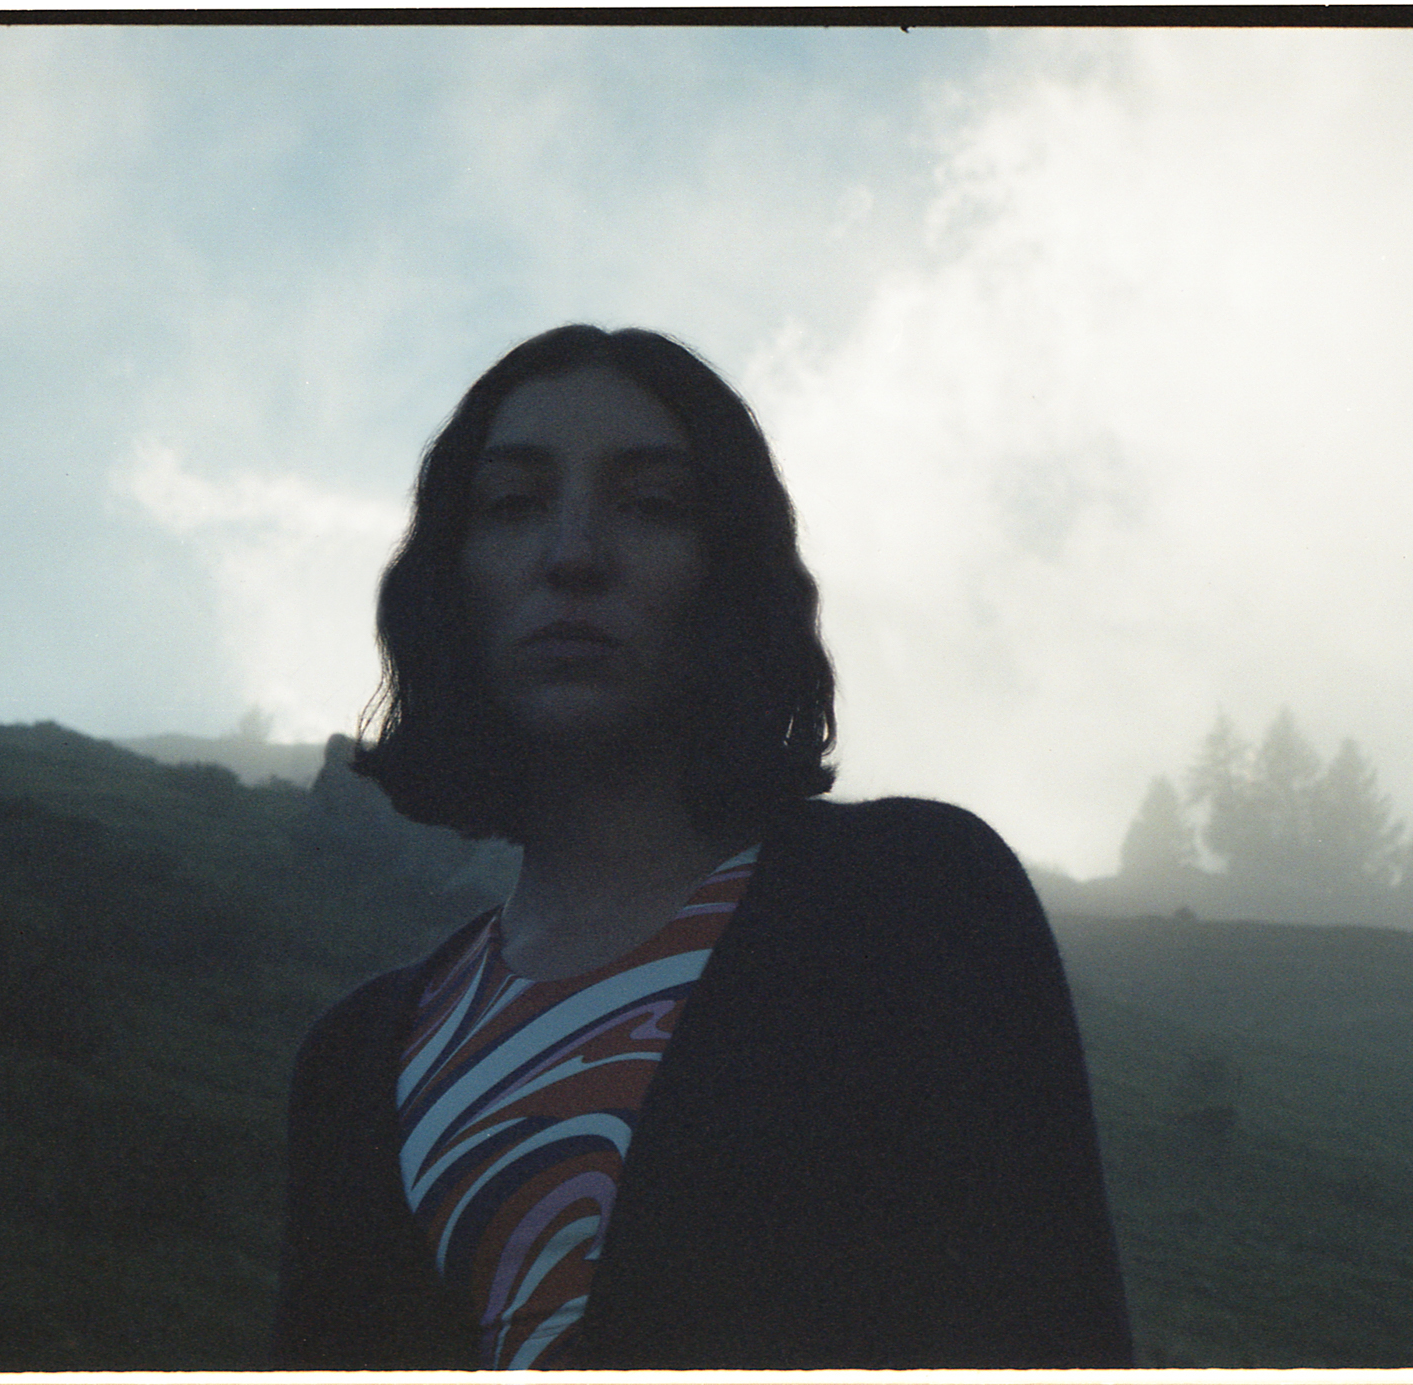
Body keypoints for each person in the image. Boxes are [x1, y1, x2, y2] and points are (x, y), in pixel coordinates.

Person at [274, 324, 1132, 1369]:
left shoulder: (910, 898)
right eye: (511, 505)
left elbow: (1052, 1326)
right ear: (452, 577)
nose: (573, 555)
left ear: (727, 569)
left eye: (650, 505)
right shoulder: (355, 1060)